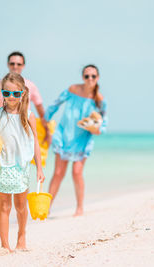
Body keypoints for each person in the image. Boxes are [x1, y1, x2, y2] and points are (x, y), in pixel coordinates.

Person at [0, 72, 45, 253]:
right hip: (2, 165)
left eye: (16, 94)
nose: (11, 97)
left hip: (21, 167)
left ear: (23, 93)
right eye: (7, 93)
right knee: (4, 207)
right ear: (1, 92)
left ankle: (21, 237)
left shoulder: (28, 115)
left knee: (20, 206)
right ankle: (5, 245)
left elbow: (34, 142)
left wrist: (39, 168)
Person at [44, 64, 107, 216]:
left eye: (93, 76)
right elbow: (55, 104)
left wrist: (96, 129)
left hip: (83, 139)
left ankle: (79, 208)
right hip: (64, 135)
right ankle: (46, 208)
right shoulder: (72, 89)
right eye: (87, 76)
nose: (90, 79)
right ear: (83, 77)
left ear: (97, 78)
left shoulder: (99, 99)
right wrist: (46, 122)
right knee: (58, 173)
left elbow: (102, 124)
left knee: (77, 172)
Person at [0, 51, 51, 143]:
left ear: (23, 66)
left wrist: (47, 131)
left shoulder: (31, 86)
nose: (15, 66)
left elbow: (40, 110)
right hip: (1, 131)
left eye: (18, 64)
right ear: (8, 64)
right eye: (12, 63)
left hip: (23, 131)